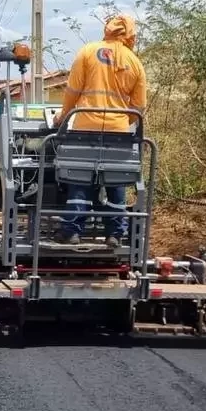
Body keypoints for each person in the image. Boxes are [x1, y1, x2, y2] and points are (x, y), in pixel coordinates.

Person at [52, 14, 148, 246]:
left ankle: (72, 231)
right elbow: (139, 106)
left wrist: (62, 117)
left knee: (80, 180)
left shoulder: (87, 52)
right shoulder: (135, 62)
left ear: (107, 30)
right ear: (130, 35)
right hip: (119, 132)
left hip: (85, 126)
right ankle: (115, 234)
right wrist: (124, 121)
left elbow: (73, 90)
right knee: (117, 182)